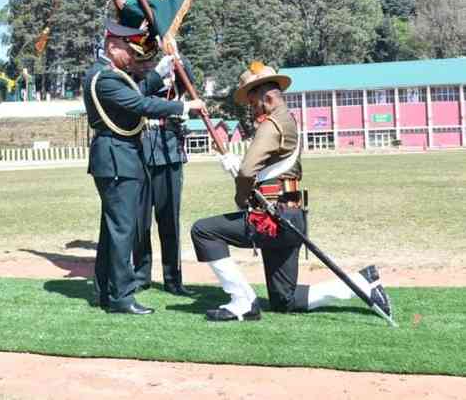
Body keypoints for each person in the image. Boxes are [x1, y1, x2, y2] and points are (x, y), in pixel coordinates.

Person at [191, 62, 392, 322]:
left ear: (269, 96)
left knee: (203, 230)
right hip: (292, 217)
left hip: (271, 220)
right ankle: (362, 283)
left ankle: (242, 301)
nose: (252, 109)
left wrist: (241, 198)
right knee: (284, 299)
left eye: (254, 103)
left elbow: (247, 172)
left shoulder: (271, 125)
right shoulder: (288, 120)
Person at [83, 20, 205, 315]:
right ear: (112, 46)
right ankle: (122, 297)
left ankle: (105, 291)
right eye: (127, 49)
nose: (133, 55)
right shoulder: (106, 77)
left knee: (112, 230)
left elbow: (136, 93)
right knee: (123, 230)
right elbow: (140, 105)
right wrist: (183, 107)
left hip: (118, 157)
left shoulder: (108, 73)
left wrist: (158, 75)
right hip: (117, 158)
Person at [130, 53, 195, 297]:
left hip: (169, 150)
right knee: (140, 221)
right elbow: (136, 96)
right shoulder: (133, 75)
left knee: (169, 220)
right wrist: (155, 72)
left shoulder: (172, 71)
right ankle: (141, 275)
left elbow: (188, 79)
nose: (146, 60)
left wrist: (177, 58)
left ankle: (173, 278)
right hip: (141, 150)